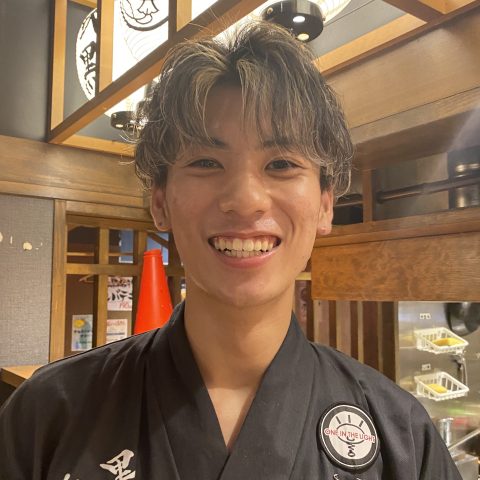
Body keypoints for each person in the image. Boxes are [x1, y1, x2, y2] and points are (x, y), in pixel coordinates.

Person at [0, 21, 461, 480]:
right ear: (160, 202)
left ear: (325, 205)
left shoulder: (402, 438)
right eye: (206, 162)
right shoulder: (49, 414)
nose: (245, 199)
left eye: (281, 164)